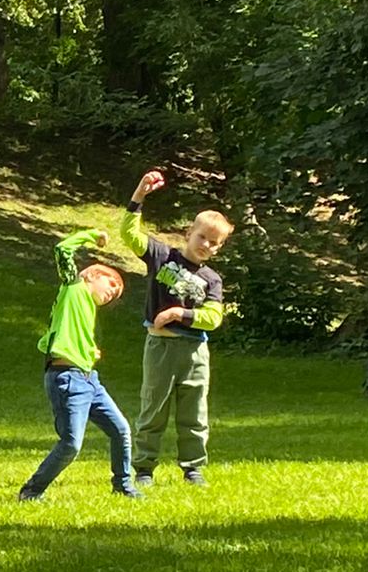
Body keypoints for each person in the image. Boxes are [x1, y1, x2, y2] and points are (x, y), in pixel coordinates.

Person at [121, 170, 235, 486]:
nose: (207, 245)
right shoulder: (162, 256)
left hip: (194, 351)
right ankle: (143, 468)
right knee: (153, 409)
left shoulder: (212, 279)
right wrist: (139, 196)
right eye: (202, 237)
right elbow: (130, 235)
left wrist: (178, 314)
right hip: (160, 347)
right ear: (189, 233)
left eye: (215, 243)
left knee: (194, 413)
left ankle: (193, 467)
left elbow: (213, 318)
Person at [17, 228, 140, 501]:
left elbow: (71, 334)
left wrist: (89, 351)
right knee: (71, 443)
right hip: (66, 378)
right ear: (91, 276)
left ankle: (123, 485)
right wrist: (91, 235)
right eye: (111, 285)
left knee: (121, 430)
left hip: (89, 380)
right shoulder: (73, 289)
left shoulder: (86, 309)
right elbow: (62, 250)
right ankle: (32, 491)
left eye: (116, 294)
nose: (113, 294)